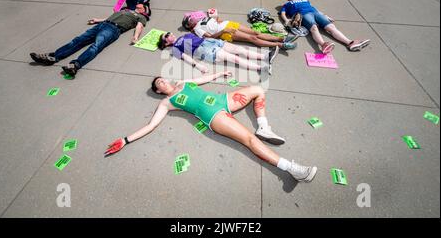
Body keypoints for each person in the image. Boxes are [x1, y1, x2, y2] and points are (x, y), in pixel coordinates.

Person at [104, 71, 318, 183]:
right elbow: (151, 125)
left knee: (257, 90)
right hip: (213, 115)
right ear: (159, 91)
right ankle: (292, 169)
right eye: (159, 84)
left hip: (222, 100)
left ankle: (263, 126)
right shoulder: (167, 103)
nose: (162, 82)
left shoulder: (182, 83)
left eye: (162, 79)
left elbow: (200, 80)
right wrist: (125, 140)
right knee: (249, 141)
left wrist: (217, 74)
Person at [30, 4, 150, 77]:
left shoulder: (141, 17)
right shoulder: (125, 10)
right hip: (103, 24)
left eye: (143, 6)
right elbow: (110, 18)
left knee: (96, 46)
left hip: (113, 29)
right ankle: (53, 57)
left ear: (144, 11)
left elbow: (139, 26)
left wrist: (135, 37)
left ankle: (75, 65)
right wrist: (97, 20)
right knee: (77, 40)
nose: (139, 4)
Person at [280, 0, 370, 54]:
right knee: (314, 28)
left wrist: (325, 15)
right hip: (304, 15)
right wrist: (286, 20)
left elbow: (314, 8)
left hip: (315, 13)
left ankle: (350, 43)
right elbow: (283, 13)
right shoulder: (287, 4)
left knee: (331, 27)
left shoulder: (305, 0)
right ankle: (323, 44)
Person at [158, 32, 279, 75]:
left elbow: (201, 36)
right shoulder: (174, 49)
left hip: (210, 42)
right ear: (166, 43)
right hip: (204, 50)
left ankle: (265, 56)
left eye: (168, 33)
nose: (170, 34)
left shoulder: (185, 35)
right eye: (167, 36)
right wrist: (198, 66)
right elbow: (185, 57)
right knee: (234, 58)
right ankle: (262, 68)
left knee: (239, 50)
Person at [185, 15, 298, 50]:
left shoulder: (202, 18)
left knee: (256, 32)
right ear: (189, 25)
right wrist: (224, 30)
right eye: (189, 20)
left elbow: (215, 22)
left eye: (190, 17)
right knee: (252, 38)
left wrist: (218, 20)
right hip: (225, 32)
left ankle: (282, 38)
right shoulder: (197, 29)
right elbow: (210, 38)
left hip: (229, 24)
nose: (191, 18)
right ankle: (281, 45)